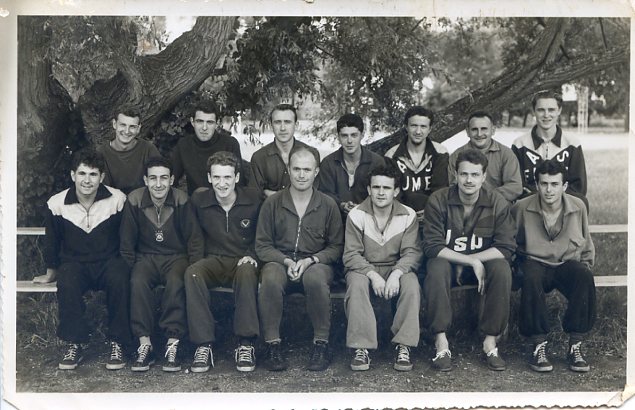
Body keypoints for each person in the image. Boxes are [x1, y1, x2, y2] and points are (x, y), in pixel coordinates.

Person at [33, 148, 132, 370]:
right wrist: (50, 272)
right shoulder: (56, 204)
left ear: (102, 177)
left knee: (120, 278)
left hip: (108, 261)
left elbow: (126, 239)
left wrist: (126, 264)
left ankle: (118, 342)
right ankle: (75, 343)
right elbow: (52, 242)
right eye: (82, 173)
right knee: (67, 280)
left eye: (93, 174)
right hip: (75, 263)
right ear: (73, 175)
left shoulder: (117, 199)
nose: (87, 180)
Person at [422, 149, 516, 372]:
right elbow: (432, 246)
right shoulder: (439, 199)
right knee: (436, 267)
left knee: (502, 268)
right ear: (455, 175)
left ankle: (490, 342)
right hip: (449, 264)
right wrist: (469, 261)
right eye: (464, 174)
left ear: (484, 176)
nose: (469, 180)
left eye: (475, 175)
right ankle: (441, 342)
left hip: (482, 265)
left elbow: (506, 247)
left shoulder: (497, 201)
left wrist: (473, 260)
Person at [256, 145, 344, 372]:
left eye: (307, 169)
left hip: (315, 263)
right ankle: (272, 344)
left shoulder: (328, 204)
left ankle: (321, 344)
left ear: (316, 172)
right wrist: (286, 261)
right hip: (280, 261)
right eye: (296, 169)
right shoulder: (273, 203)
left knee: (315, 278)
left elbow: (336, 247)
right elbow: (262, 245)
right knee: (270, 277)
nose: (302, 175)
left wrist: (311, 260)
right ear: (289, 169)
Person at [120, 156, 203, 373]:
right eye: (153, 178)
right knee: (137, 282)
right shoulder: (134, 200)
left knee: (176, 281)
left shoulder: (181, 199)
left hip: (176, 257)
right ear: (145, 180)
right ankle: (144, 343)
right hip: (145, 257)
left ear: (172, 180)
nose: (158, 184)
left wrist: (194, 267)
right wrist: (129, 269)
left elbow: (194, 239)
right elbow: (127, 241)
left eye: (164, 178)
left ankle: (172, 342)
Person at [512, 160, 596, 373]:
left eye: (555, 184)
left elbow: (585, 240)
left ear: (564, 186)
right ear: (537, 185)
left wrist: (586, 263)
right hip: (535, 262)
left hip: (565, 263)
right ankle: (538, 344)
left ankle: (575, 344)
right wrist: (516, 267)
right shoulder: (521, 208)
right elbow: (512, 242)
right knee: (531, 275)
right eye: (544, 184)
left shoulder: (578, 207)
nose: (549, 190)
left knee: (584, 276)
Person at [184, 151, 263, 373]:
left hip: (242, 259)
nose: (222, 183)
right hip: (214, 260)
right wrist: (197, 262)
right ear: (209, 178)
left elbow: (263, 234)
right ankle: (203, 344)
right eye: (217, 177)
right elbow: (195, 237)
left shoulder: (253, 199)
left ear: (236, 177)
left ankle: (245, 343)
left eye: (227, 177)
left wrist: (253, 255)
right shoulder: (199, 201)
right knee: (192, 272)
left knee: (247, 270)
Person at [343, 163, 422, 372]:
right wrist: (372, 275)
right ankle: (361, 347)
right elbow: (351, 254)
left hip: (395, 267)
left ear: (395, 191)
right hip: (364, 268)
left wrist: (396, 274)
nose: (380, 192)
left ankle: (404, 345)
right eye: (376, 187)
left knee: (411, 283)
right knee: (356, 283)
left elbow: (412, 253)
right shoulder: (356, 215)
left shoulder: (408, 215)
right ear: (369, 189)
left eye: (386, 188)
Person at [512, 90, 588, 207]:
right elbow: (518, 185)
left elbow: (579, 186)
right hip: (530, 208)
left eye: (551, 110)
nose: (546, 115)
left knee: (582, 202)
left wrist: (555, 203)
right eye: (541, 110)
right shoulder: (520, 144)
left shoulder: (572, 143)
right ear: (534, 111)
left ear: (559, 110)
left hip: (564, 207)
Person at [384, 106, 449, 220]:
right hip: (401, 216)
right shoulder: (392, 155)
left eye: (423, 126)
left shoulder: (440, 152)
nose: (418, 131)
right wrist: (406, 214)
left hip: (433, 214)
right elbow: (392, 192)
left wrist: (430, 211)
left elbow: (440, 189)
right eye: (414, 126)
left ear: (430, 129)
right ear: (406, 127)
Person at [318, 113, 385, 221]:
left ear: (362, 135)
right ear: (338, 137)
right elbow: (324, 194)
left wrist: (362, 207)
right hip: (336, 220)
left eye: (354, 135)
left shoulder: (376, 162)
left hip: (370, 220)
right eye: (344, 136)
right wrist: (342, 205)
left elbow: (383, 193)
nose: (349, 141)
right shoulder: (328, 163)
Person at [171, 100, 244, 195]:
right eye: (200, 121)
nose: (204, 128)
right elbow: (172, 180)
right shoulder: (184, 145)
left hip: (225, 199)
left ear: (217, 123)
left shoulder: (230, 144)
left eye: (210, 122)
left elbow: (240, 184)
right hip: (196, 200)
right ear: (192, 122)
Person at [448, 111, 522, 203]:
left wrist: (485, 198)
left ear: (493, 130)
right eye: (474, 129)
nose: (479, 134)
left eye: (484, 129)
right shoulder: (456, 156)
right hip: (465, 205)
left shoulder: (506, 154)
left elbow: (515, 187)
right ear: (467, 132)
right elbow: (452, 188)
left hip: (496, 205)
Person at [250, 104, 315, 197]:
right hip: (269, 207)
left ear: (296, 125)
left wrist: (270, 193)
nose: (283, 128)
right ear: (271, 125)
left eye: (287, 122)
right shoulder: (259, 158)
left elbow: (315, 193)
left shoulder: (311, 155)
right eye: (277, 122)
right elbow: (254, 194)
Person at [97, 107, 161, 194]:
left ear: (138, 128)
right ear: (114, 124)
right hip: (113, 199)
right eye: (123, 125)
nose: (127, 131)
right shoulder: (101, 153)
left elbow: (158, 181)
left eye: (132, 127)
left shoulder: (148, 149)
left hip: (143, 199)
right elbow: (103, 190)